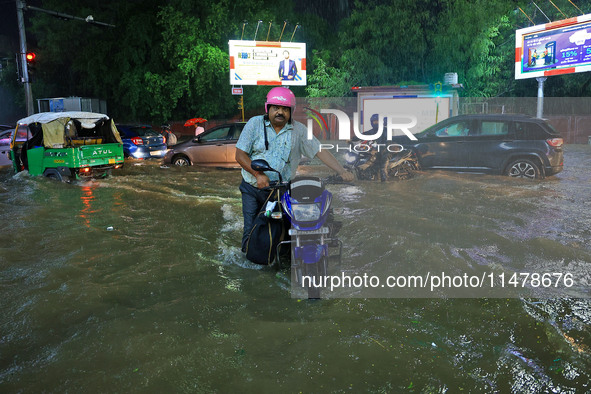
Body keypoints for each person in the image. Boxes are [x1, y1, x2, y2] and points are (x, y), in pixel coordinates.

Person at [235, 86, 354, 252]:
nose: (280, 112)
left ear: (291, 111)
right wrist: (258, 174)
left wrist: (342, 171)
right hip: (253, 188)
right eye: (276, 108)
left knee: (288, 230)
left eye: (285, 109)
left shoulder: (299, 130)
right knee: (252, 230)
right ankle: (248, 261)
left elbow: (319, 150)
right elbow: (240, 155)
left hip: (282, 189)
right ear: (268, 108)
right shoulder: (254, 124)